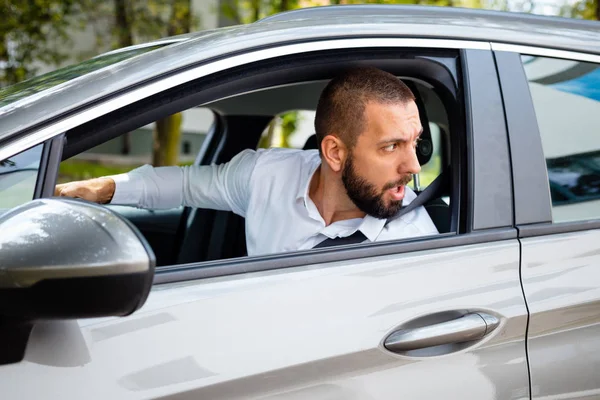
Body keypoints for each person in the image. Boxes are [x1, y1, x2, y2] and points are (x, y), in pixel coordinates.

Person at [55, 67, 438, 255]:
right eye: (392, 147)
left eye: (415, 142)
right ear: (335, 152)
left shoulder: (415, 241)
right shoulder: (265, 176)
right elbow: (185, 184)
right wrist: (101, 188)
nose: (414, 167)